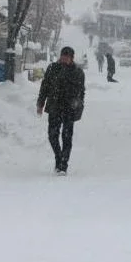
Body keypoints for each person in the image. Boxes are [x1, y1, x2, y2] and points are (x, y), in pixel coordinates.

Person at [37, 46, 86, 175]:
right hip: (54, 107)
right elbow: (45, 86)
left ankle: (63, 165)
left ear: (72, 58)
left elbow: (81, 92)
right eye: (63, 56)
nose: (64, 59)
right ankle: (58, 157)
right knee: (52, 135)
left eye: (67, 57)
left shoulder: (78, 72)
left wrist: (79, 106)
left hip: (69, 109)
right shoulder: (52, 68)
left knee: (66, 137)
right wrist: (40, 103)